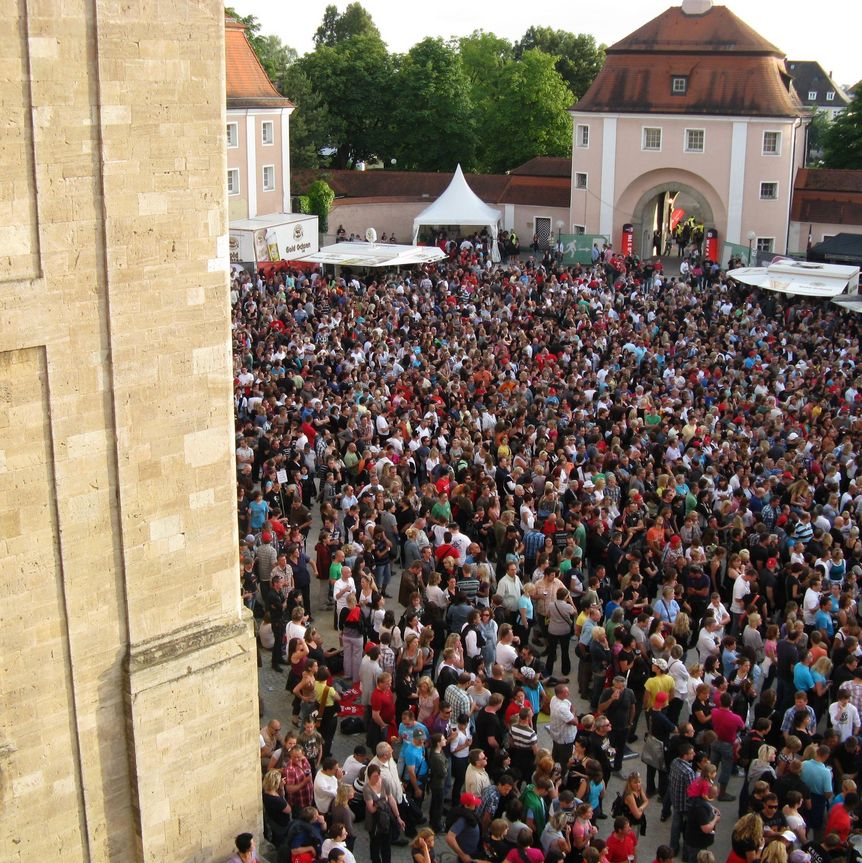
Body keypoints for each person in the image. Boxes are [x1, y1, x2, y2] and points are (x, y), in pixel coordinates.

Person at [364, 763, 405, 863]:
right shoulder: (367, 788)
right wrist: (381, 802)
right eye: (375, 776)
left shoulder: (384, 782)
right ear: (369, 776)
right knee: (375, 844)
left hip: (386, 817)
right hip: (374, 820)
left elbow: (391, 799)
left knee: (386, 846)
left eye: (378, 775)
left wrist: (398, 817)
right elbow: (371, 809)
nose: (377, 778)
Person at [446, 792, 483, 863]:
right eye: (473, 803)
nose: (475, 805)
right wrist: (463, 855)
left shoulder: (469, 814)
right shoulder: (463, 820)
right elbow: (449, 838)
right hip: (467, 854)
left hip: (472, 850)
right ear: (466, 805)